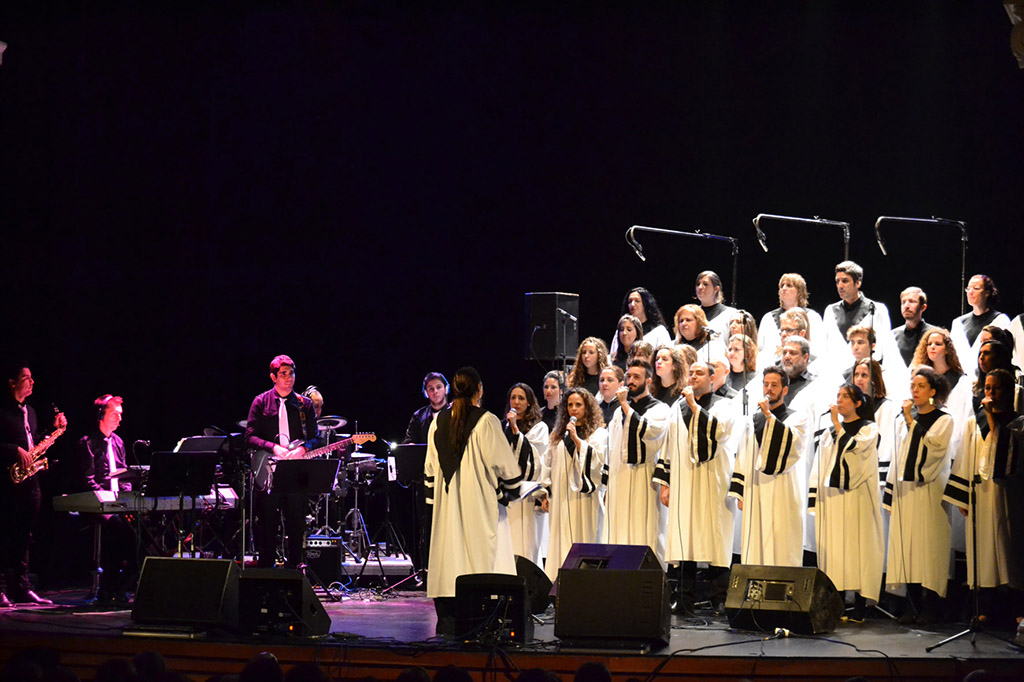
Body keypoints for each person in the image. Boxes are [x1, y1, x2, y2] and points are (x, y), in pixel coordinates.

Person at [424, 367, 522, 634]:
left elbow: (429, 473)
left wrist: (437, 511)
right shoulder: (487, 421)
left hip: (447, 511)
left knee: (450, 558)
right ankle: (484, 623)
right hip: (480, 508)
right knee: (481, 561)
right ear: (479, 389)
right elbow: (508, 470)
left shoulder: (438, 422)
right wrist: (508, 493)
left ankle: (449, 625)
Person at [655, 359, 738, 614]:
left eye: (699, 373)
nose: (693, 377)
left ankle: (719, 599)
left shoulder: (725, 405)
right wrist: (665, 484)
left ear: (712, 379)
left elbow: (719, 433)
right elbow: (668, 446)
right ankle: (684, 599)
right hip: (684, 482)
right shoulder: (677, 407)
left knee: (716, 538)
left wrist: (694, 406)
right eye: (690, 373)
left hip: (714, 482)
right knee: (684, 538)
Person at [943, 368, 1024, 623]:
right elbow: (966, 458)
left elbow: (1005, 460)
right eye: (987, 388)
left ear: (1008, 391)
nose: (990, 393)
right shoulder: (973, 422)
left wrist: (991, 418)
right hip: (980, 494)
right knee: (983, 553)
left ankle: (1015, 611)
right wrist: (963, 496)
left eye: (996, 388)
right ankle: (984, 609)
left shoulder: (1017, 423)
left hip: (1006, 497)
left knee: (1007, 550)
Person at [883, 367, 954, 624]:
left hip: (929, 491)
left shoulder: (944, 419)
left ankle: (932, 606)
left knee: (929, 547)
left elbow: (934, 451)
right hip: (906, 492)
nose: (915, 390)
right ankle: (912, 605)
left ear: (933, 391)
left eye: (921, 386)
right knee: (908, 547)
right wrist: (890, 494)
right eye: (913, 385)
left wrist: (911, 423)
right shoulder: (904, 421)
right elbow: (898, 457)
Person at [809, 383, 883, 623]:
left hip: (857, 498)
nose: (839, 401)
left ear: (858, 403)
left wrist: (837, 425)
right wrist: (815, 498)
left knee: (858, 549)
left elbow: (854, 451)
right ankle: (837, 604)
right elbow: (820, 466)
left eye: (845, 397)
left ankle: (860, 607)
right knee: (836, 551)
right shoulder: (830, 433)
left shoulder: (869, 429)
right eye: (837, 396)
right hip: (833, 499)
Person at [244, 355, 319, 569]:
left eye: (291, 373)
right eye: (283, 374)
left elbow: (316, 436)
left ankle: (295, 568)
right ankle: (267, 570)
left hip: (294, 470)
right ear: (273, 377)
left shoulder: (305, 405)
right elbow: (249, 436)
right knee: (268, 523)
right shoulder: (260, 401)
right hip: (269, 470)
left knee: (296, 522)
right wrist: (273, 446)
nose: (289, 378)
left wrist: (304, 448)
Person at [1, 364, 67, 606]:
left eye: (31, 378)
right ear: (12, 383)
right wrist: (13, 449)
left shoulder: (31, 411)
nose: (31, 382)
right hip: (7, 482)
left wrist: (54, 430)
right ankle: (1, 587)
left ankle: (22, 587)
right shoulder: (3, 411)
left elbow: (34, 442)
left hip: (30, 481)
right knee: (4, 533)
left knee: (24, 535)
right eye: (26, 378)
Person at [729, 366, 808, 567]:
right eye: (766, 384)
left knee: (781, 543)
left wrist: (769, 416)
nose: (769, 389)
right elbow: (744, 454)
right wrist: (740, 491)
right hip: (755, 491)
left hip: (783, 491)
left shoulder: (797, 418)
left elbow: (792, 448)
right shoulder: (752, 420)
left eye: (774, 385)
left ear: (784, 390)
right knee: (755, 543)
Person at [603, 360, 671, 557]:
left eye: (636, 377)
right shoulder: (618, 412)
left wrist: (625, 405)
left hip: (644, 479)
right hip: (619, 479)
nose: (630, 381)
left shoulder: (660, 409)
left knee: (644, 528)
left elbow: (649, 433)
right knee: (619, 529)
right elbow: (613, 449)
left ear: (648, 381)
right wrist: (608, 487)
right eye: (629, 377)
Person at [74, 394, 138, 603]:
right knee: (120, 532)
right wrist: (108, 502)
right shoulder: (87, 443)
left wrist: (127, 500)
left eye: (120, 415)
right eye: (114, 415)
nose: (119, 420)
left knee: (138, 532)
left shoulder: (118, 442)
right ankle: (110, 588)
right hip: (96, 504)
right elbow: (87, 480)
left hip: (117, 503)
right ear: (101, 415)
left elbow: (124, 476)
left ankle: (115, 588)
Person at [541, 388, 607, 582]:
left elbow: (599, 464)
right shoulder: (557, 435)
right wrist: (546, 493)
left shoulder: (598, 434)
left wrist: (578, 441)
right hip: (561, 498)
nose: (574, 409)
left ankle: (584, 584)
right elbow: (547, 464)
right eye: (570, 405)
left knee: (583, 537)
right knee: (561, 540)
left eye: (578, 405)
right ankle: (560, 585)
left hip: (584, 498)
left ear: (587, 407)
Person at [502, 383, 549, 567]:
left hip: (528, 496)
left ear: (529, 402)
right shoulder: (503, 427)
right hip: (508, 497)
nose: (516, 402)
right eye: (513, 398)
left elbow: (535, 459)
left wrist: (515, 431)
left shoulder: (540, 427)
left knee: (528, 546)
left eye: (521, 398)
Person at [821, 260, 897, 366]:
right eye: (837, 281)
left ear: (858, 283)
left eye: (845, 281)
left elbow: (883, 346)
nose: (840, 286)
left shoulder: (877, 309)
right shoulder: (830, 310)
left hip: (866, 370)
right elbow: (825, 347)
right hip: (836, 373)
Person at [951, 275, 1011, 378]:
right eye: (968, 289)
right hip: (962, 382)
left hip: (989, 379)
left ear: (987, 293)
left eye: (976, 288)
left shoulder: (1000, 320)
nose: (970, 292)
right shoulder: (958, 323)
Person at [757, 273, 825, 359]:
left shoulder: (812, 317)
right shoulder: (768, 318)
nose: (784, 289)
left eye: (789, 285)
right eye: (782, 286)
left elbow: (820, 349)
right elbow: (760, 349)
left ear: (799, 292)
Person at [674, 304, 728, 386]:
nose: (684, 323)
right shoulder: (674, 346)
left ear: (699, 322)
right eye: (681, 321)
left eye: (688, 320)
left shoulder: (713, 345)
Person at [608, 287, 672, 358]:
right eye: (630, 301)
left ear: (645, 304)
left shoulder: (659, 331)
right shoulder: (621, 332)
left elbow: (667, 356)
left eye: (637, 301)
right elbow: (613, 356)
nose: (632, 304)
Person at [892, 287, 937, 367]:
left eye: (912, 301)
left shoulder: (935, 334)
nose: (906, 306)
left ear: (923, 307)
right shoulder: (893, 335)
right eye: (903, 302)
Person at [403, 372, 449, 444]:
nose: (435, 391)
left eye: (439, 387)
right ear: (425, 393)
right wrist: (410, 445)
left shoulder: (455, 413)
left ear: (446, 389)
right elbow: (409, 440)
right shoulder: (418, 416)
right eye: (431, 389)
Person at [694, 271, 738, 338]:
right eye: (698, 284)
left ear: (716, 289)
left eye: (705, 284)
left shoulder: (730, 314)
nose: (700, 287)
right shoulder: (691, 315)